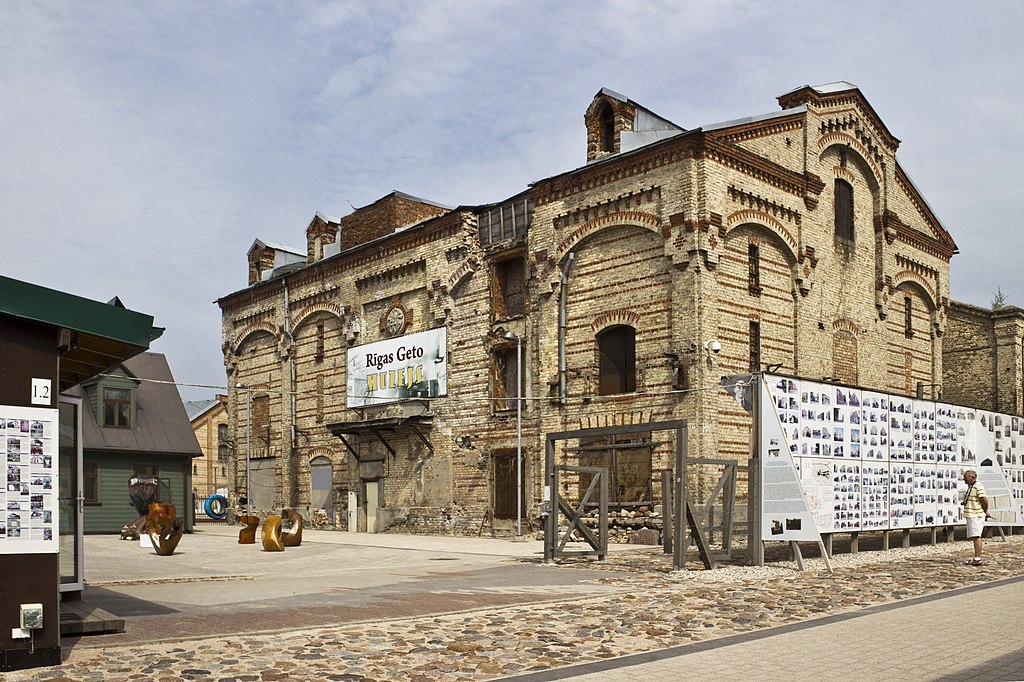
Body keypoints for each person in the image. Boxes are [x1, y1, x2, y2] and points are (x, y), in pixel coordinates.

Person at [962, 469, 990, 566]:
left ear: (972, 477)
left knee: (976, 536)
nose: (963, 478)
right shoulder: (971, 487)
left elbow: (984, 499)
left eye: (965, 476)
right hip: (971, 514)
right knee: (975, 536)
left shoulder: (977, 486)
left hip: (976, 515)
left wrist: (985, 510)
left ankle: (978, 558)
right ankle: (976, 557)